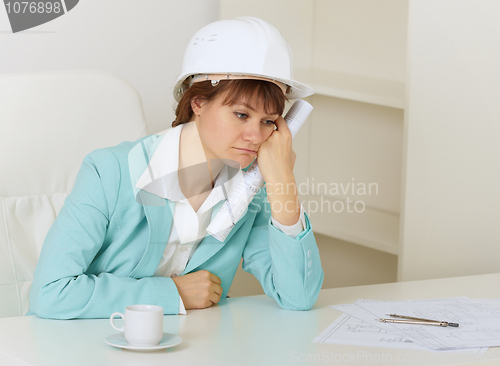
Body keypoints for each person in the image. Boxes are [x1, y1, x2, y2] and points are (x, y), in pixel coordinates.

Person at [29, 17, 324, 319]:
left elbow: (298, 297)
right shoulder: (109, 172)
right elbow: (50, 293)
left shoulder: (252, 190)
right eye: (240, 114)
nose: (256, 136)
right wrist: (174, 294)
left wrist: (282, 183)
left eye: (268, 121)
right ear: (198, 103)